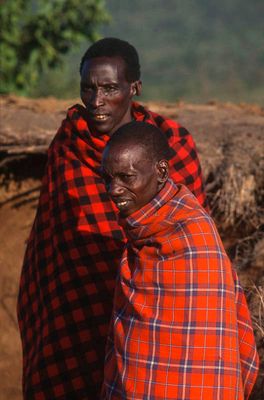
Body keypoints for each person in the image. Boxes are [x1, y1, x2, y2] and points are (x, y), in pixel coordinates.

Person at [17, 38, 208, 399]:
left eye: (109, 88)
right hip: (80, 312)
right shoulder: (68, 147)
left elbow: (191, 240)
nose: (97, 101)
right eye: (88, 89)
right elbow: (54, 245)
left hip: (156, 308)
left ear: (133, 88)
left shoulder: (173, 145)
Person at [100, 121, 259, 400]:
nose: (114, 190)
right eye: (108, 178)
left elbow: (210, 354)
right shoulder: (140, 236)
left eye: (127, 177)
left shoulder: (194, 238)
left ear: (161, 172)